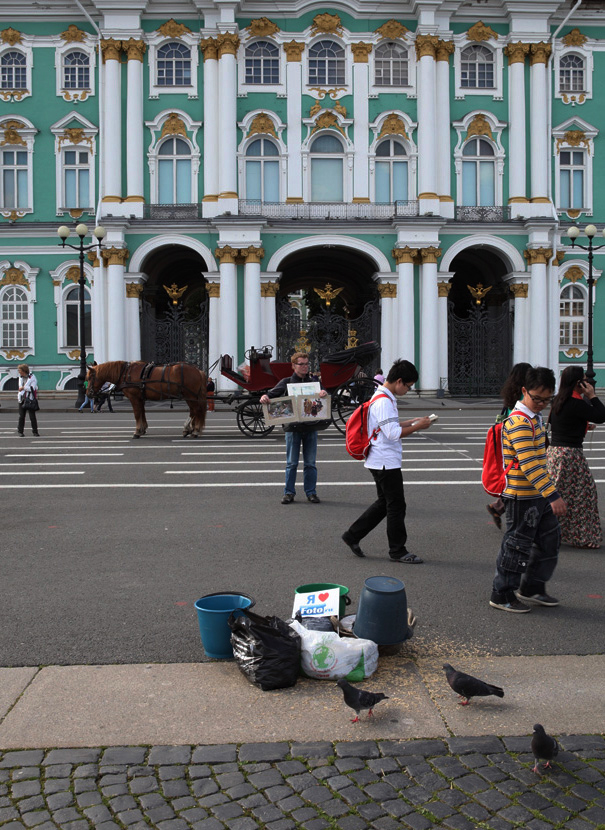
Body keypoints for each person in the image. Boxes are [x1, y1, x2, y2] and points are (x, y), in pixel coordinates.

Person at [490, 366, 567, 613]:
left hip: (538, 494)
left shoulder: (535, 418)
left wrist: (547, 492)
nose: (542, 404)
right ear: (524, 391)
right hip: (522, 495)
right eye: (537, 398)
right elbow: (529, 463)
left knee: (549, 540)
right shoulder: (519, 422)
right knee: (517, 545)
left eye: (547, 399)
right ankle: (502, 593)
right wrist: (553, 494)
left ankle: (532, 587)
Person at [341, 359, 433, 563]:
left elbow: (385, 425)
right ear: (399, 381)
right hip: (385, 460)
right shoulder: (383, 400)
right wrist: (419, 427)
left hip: (381, 459)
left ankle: (353, 535)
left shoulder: (385, 396)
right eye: (408, 386)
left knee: (385, 503)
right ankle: (397, 550)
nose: (408, 390)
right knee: (396, 506)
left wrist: (411, 422)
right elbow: (392, 433)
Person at [547, 366, 605, 549]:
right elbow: (602, 415)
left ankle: (546, 532)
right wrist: (593, 396)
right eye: (585, 379)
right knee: (583, 496)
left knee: (558, 494)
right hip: (570, 455)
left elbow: (565, 422)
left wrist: (583, 426)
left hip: (555, 454)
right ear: (578, 382)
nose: (588, 382)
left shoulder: (559, 400)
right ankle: (582, 536)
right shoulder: (577, 403)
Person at [260, 352, 328, 504]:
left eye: (306, 364)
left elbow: (326, 397)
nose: (304, 367)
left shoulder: (314, 382)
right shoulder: (286, 382)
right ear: (293, 366)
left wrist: (323, 393)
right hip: (293, 429)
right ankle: (289, 492)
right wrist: (264, 397)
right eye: (301, 364)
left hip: (311, 427)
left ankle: (311, 492)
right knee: (292, 463)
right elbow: (271, 395)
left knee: (310, 463)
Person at [486, 362, 532, 529]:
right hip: (518, 441)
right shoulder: (524, 396)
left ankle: (498, 507)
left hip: (508, 443)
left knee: (515, 479)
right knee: (522, 481)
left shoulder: (510, 393)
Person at [17, 363, 39, 437]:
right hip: (22, 398)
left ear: (24, 371)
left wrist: (24, 388)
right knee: (21, 416)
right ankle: (20, 431)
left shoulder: (32, 377)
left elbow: (33, 388)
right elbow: (20, 386)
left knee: (32, 416)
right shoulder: (20, 377)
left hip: (30, 399)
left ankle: (35, 431)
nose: (19, 372)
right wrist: (21, 389)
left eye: (20, 371)